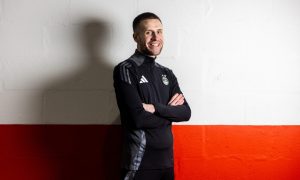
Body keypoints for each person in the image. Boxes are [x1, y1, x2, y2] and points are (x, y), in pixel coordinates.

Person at [113, 12, 191, 180]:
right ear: (136, 36)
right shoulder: (126, 69)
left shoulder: (167, 73)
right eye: (149, 32)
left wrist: (155, 108)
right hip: (139, 164)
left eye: (159, 31)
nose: (156, 37)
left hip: (166, 164)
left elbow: (185, 113)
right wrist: (170, 113)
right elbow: (138, 118)